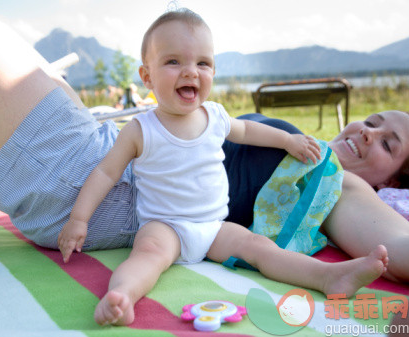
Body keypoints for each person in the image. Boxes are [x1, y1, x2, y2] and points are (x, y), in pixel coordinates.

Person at [0, 0, 409, 305]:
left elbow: (399, 245)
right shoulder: (281, 139)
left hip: (123, 196)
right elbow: (235, 131)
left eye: (389, 143)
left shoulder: (344, 185)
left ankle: (326, 280)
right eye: (372, 121)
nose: (369, 133)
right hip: (110, 166)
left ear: (393, 184)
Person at [56, 8, 390, 326]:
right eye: (173, 61)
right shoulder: (141, 129)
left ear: (213, 72)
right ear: (147, 76)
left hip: (215, 226)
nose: (191, 71)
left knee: (260, 248)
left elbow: (248, 131)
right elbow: (106, 172)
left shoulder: (214, 116)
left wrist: (287, 141)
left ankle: (329, 277)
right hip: (165, 227)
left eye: (203, 63)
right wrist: (79, 218)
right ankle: (122, 296)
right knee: (146, 257)